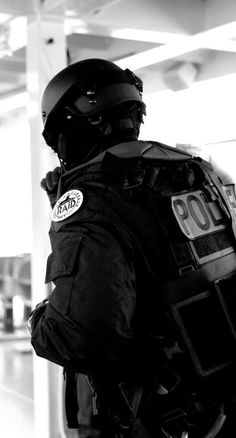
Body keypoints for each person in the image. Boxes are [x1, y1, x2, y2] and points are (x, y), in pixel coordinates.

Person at [28, 58, 236, 438]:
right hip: (215, 402)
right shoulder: (194, 171)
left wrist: (39, 322)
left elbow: (83, 337)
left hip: (156, 416)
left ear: (67, 128)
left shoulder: (93, 198)